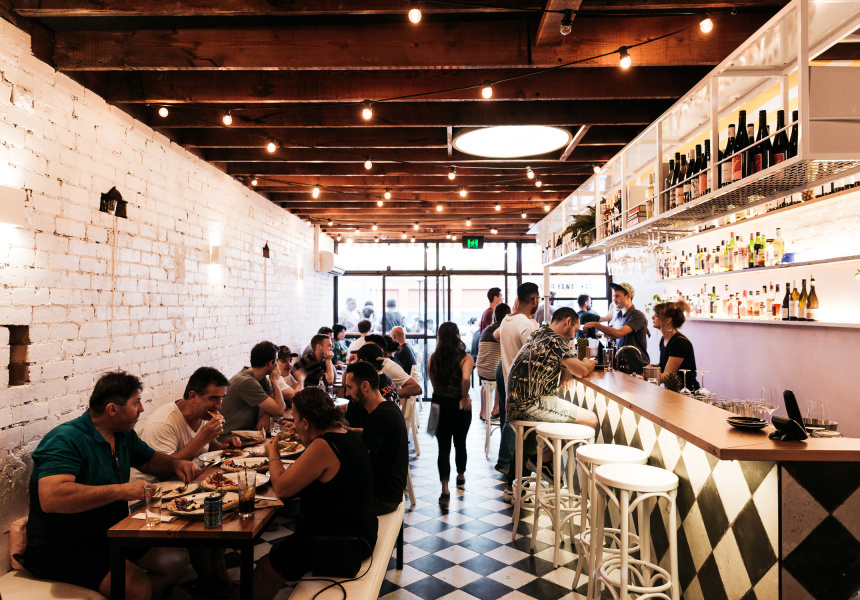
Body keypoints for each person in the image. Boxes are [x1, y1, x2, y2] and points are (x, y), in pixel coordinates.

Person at [22, 371, 196, 600]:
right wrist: (121, 491)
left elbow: (149, 460)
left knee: (178, 560)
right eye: (136, 403)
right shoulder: (66, 439)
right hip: (62, 546)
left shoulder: (123, 434)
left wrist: (175, 464)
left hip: (110, 534)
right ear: (112, 409)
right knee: (136, 586)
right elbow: (52, 497)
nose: (142, 408)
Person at [253, 387, 377, 598]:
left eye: (295, 418)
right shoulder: (345, 433)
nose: (293, 422)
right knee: (278, 553)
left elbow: (281, 488)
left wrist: (272, 451)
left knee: (264, 569)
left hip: (341, 544)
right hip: (361, 532)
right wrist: (305, 435)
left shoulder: (323, 446)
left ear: (306, 422)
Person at [133, 367, 240, 597]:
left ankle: (217, 566)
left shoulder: (202, 416)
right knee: (206, 517)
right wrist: (202, 437)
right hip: (152, 496)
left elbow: (208, 447)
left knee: (228, 507)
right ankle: (208, 579)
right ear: (193, 396)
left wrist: (224, 445)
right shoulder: (164, 422)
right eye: (213, 398)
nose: (219, 405)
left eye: (222, 398)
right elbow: (163, 470)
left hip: (187, 486)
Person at [503, 308, 599, 501]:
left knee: (530, 441)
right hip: (532, 403)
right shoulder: (556, 340)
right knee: (591, 420)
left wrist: (566, 370)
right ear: (568, 321)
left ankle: (524, 480)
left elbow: (561, 361)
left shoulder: (540, 333)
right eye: (575, 330)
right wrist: (589, 362)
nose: (573, 336)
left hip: (517, 404)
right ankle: (544, 460)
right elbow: (581, 370)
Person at [344, 361, 408, 515]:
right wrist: (345, 430)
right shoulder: (388, 408)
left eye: (349, 387)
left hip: (382, 499)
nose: (346, 394)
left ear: (365, 386)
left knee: (324, 503)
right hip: (390, 492)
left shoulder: (378, 417)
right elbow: (370, 433)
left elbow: (359, 461)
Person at [493, 283, 541, 475]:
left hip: (509, 379)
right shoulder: (527, 325)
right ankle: (517, 470)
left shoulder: (507, 320)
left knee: (511, 421)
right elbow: (535, 360)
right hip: (524, 387)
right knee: (519, 427)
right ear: (534, 300)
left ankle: (508, 466)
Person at [427, 322, 473, 509]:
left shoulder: (433, 358)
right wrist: (464, 396)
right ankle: (460, 475)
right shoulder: (465, 358)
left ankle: (445, 490)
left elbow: (431, 379)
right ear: (457, 335)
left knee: (443, 448)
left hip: (438, 404)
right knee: (460, 442)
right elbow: (465, 378)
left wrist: (441, 392)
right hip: (458, 404)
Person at [221, 341, 286, 435]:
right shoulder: (246, 381)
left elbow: (280, 405)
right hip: (228, 437)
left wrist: (267, 413)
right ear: (270, 363)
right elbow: (279, 411)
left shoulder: (261, 378)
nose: (277, 365)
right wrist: (275, 382)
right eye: (276, 361)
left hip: (246, 434)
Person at [583, 283, 650, 373]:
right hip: (622, 367)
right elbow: (616, 338)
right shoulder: (618, 316)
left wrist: (596, 324)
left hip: (637, 369)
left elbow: (619, 333)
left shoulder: (637, 316)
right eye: (614, 296)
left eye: (617, 296)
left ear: (628, 296)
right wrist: (608, 336)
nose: (614, 300)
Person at [651, 300, 699, 390]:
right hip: (672, 390)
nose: (652, 317)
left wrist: (646, 379)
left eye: (656, 315)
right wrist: (652, 367)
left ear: (668, 320)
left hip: (686, 392)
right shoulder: (664, 339)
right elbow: (666, 364)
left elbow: (668, 374)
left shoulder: (679, 342)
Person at [476, 303, 510, 420]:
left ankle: (483, 412)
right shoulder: (503, 329)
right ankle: (496, 409)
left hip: (481, 370)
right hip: (492, 372)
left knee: (486, 384)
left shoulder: (486, 329)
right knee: (502, 375)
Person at [365, 334, 423, 398]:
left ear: (380, 351)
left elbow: (417, 388)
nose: (364, 351)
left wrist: (389, 394)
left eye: (368, 349)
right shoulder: (368, 366)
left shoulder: (389, 366)